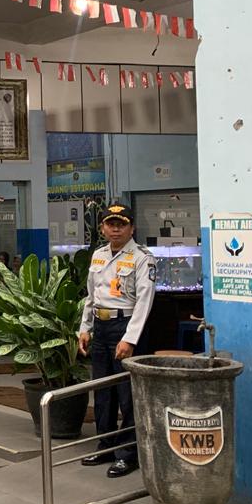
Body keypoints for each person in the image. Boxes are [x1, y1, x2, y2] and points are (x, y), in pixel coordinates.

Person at [78, 203, 156, 479]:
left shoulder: (141, 258)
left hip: (127, 327)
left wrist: (130, 339)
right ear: (102, 228)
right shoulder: (98, 256)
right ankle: (106, 445)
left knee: (127, 394)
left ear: (132, 228)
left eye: (121, 224)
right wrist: (84, 328)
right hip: (101, 326)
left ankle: (128, 453)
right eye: (110, 224)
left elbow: (145, 301)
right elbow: (91, 296)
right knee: (103, 391)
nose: (115, 228)